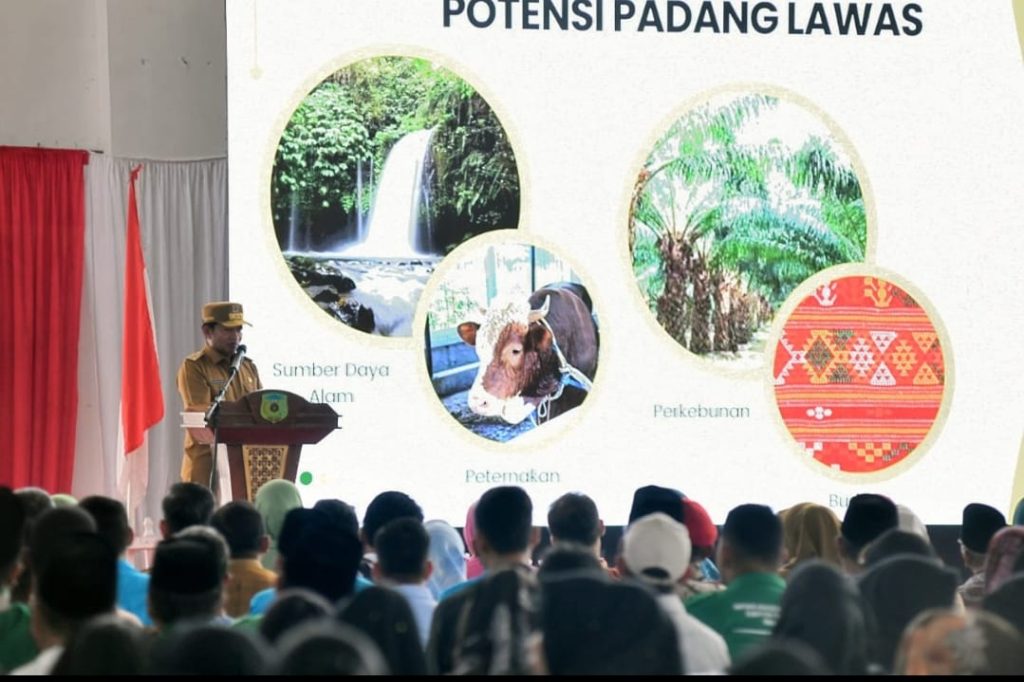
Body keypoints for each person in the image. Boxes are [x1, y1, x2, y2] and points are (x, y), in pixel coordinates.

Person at [176, 301, 262, 486]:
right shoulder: (195, 366)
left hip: (244, 464)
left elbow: (261, 409)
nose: (236, 337)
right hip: (206, 465)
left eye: (238, 330)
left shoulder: (248, 367)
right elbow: (198, 411)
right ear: (208, 332)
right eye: (228, 330)